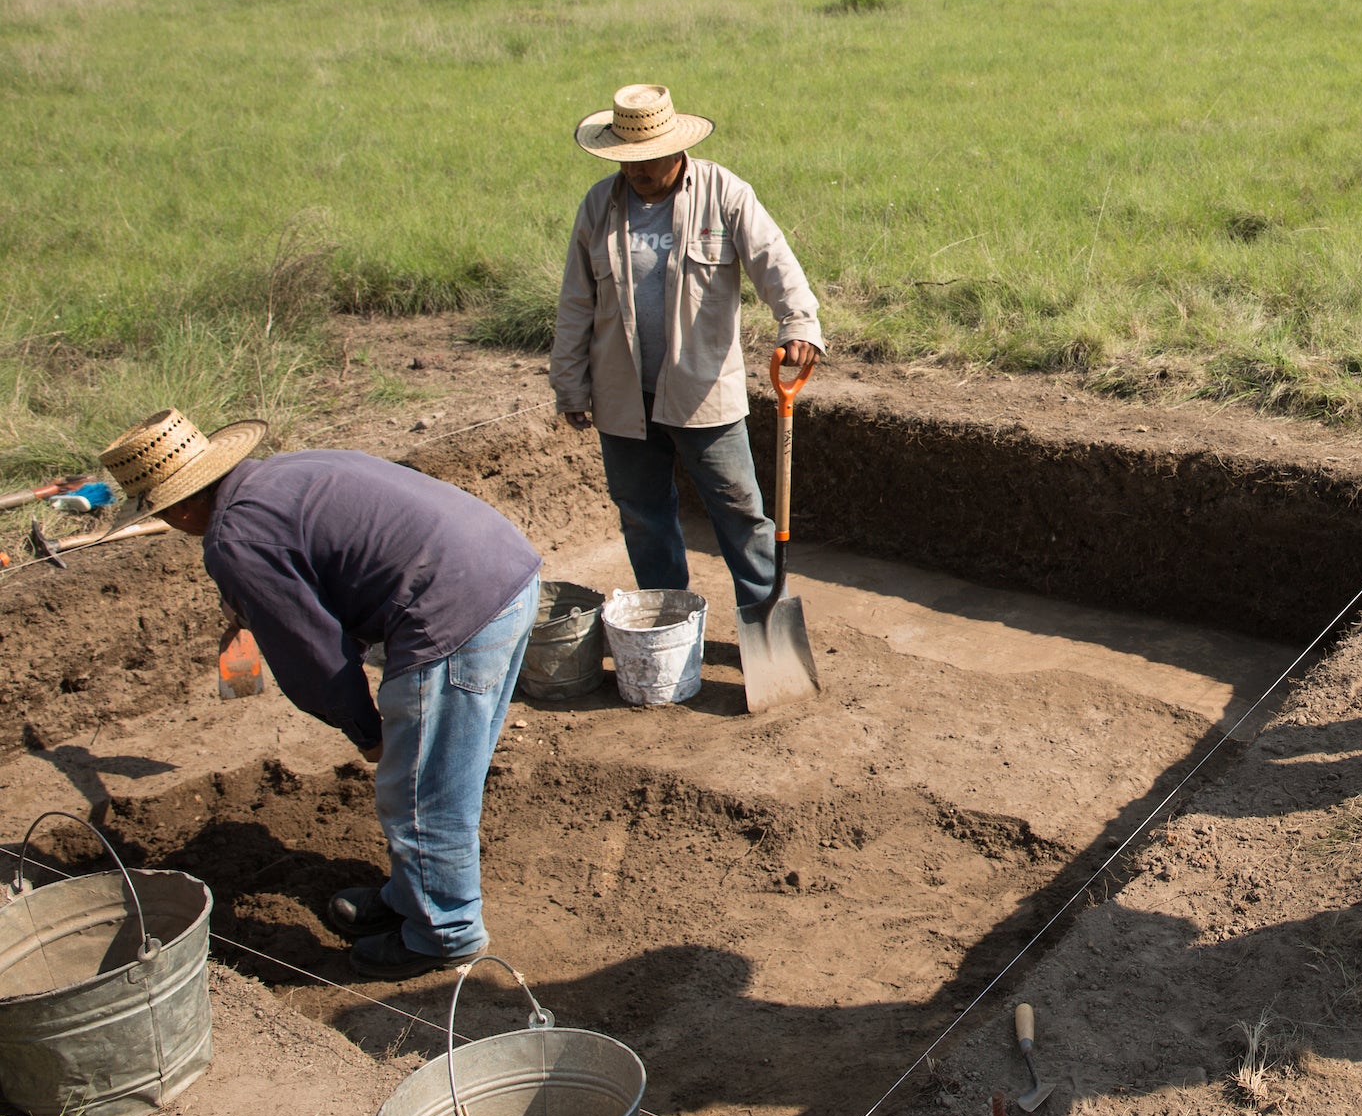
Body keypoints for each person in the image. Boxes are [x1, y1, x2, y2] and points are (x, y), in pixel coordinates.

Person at [102, 409, 544, 980]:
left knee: (420, 792)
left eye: (159, 513)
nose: (166, 522)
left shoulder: (233, 536)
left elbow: (313, 658)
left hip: (453, 612)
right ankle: (417, 898)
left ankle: (445, 933)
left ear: (182, 505)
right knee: (438, 773)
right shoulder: (285, 473)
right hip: (505, 571)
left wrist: (365, 730)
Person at [550, 84, 824, 615]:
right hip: (622, 396)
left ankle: (764, 620)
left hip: (702, 391)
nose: (636, 171)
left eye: (647, 160)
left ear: (676, 148)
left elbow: (776, 263)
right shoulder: (598, 206)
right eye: (626, 161)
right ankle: (670, 621)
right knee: (642, 514)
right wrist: (570, 383)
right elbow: (575, 303)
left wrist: (799, 325)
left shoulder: (724, 193)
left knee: (740, 513)